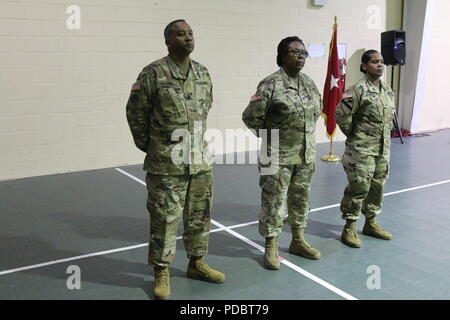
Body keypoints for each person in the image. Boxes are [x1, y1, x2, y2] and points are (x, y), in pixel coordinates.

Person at [126, 19, 225, 300]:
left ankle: (197, 263)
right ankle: (161, 270)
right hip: (166, 164)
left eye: (191, 33)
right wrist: (154, 148)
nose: (188, 38)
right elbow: (136, 115)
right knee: (164, 219)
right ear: (168, 41)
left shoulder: (203, 73)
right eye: (181, 34)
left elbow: (205, 111)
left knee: (200, 216)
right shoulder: (153, 74)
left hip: (200, 161)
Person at [242, 36, 322, 270]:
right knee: (273, 202)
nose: (300, 56)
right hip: (276, 155)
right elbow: (250, 117)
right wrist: (272, 138)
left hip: (305, 155)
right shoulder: (270, 84)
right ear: (282, 55)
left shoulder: (309, 83)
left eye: (304, 53)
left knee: (301, 199)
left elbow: (316, 111)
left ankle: (298, 240)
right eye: (295, 52)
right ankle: (271, 246)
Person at [335, 49, 394, 248]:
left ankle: (370, 223)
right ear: (364, 66)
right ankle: (349, 228)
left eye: (382, 61)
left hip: (381, 150)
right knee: (358, 188)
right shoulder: (356, 90)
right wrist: (354, 135)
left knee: (377, 186)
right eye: (375, 62)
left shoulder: (386, 89)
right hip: (361, 150)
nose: (380, 65)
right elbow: (341, 116)